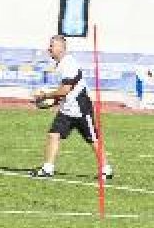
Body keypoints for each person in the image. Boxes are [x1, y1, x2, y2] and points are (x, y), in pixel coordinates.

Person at [30, 35, 113, 180]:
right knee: (53, 135)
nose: (49, 48)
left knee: (93, 139)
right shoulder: (60, 64)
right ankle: (47, 168)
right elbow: (65, 92)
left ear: (61, 48)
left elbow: (65, 89)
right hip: (67, 108)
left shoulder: (68, 64)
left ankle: (106, 169)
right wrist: (52, 102)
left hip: (81, 108)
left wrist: (45, 97)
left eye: (52, 45)